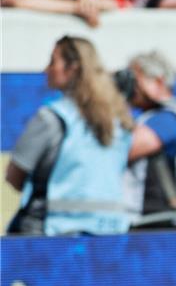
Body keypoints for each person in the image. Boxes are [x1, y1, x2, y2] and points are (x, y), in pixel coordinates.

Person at [6, 36, 132, 236]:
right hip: (110, 234)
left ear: (72, 68)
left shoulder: (52, 118)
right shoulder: (120, 120)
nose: (46, 70)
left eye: (52, 62)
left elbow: (14, 176)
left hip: (50, 233)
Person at [124, 50, 176, 217]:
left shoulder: (169, 118)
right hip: (147, 220)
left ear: (158, 81)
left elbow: (124, 150)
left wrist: (115, 103)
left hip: (161, 224)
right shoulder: (149, 117)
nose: (130, 88)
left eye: (134, 80)